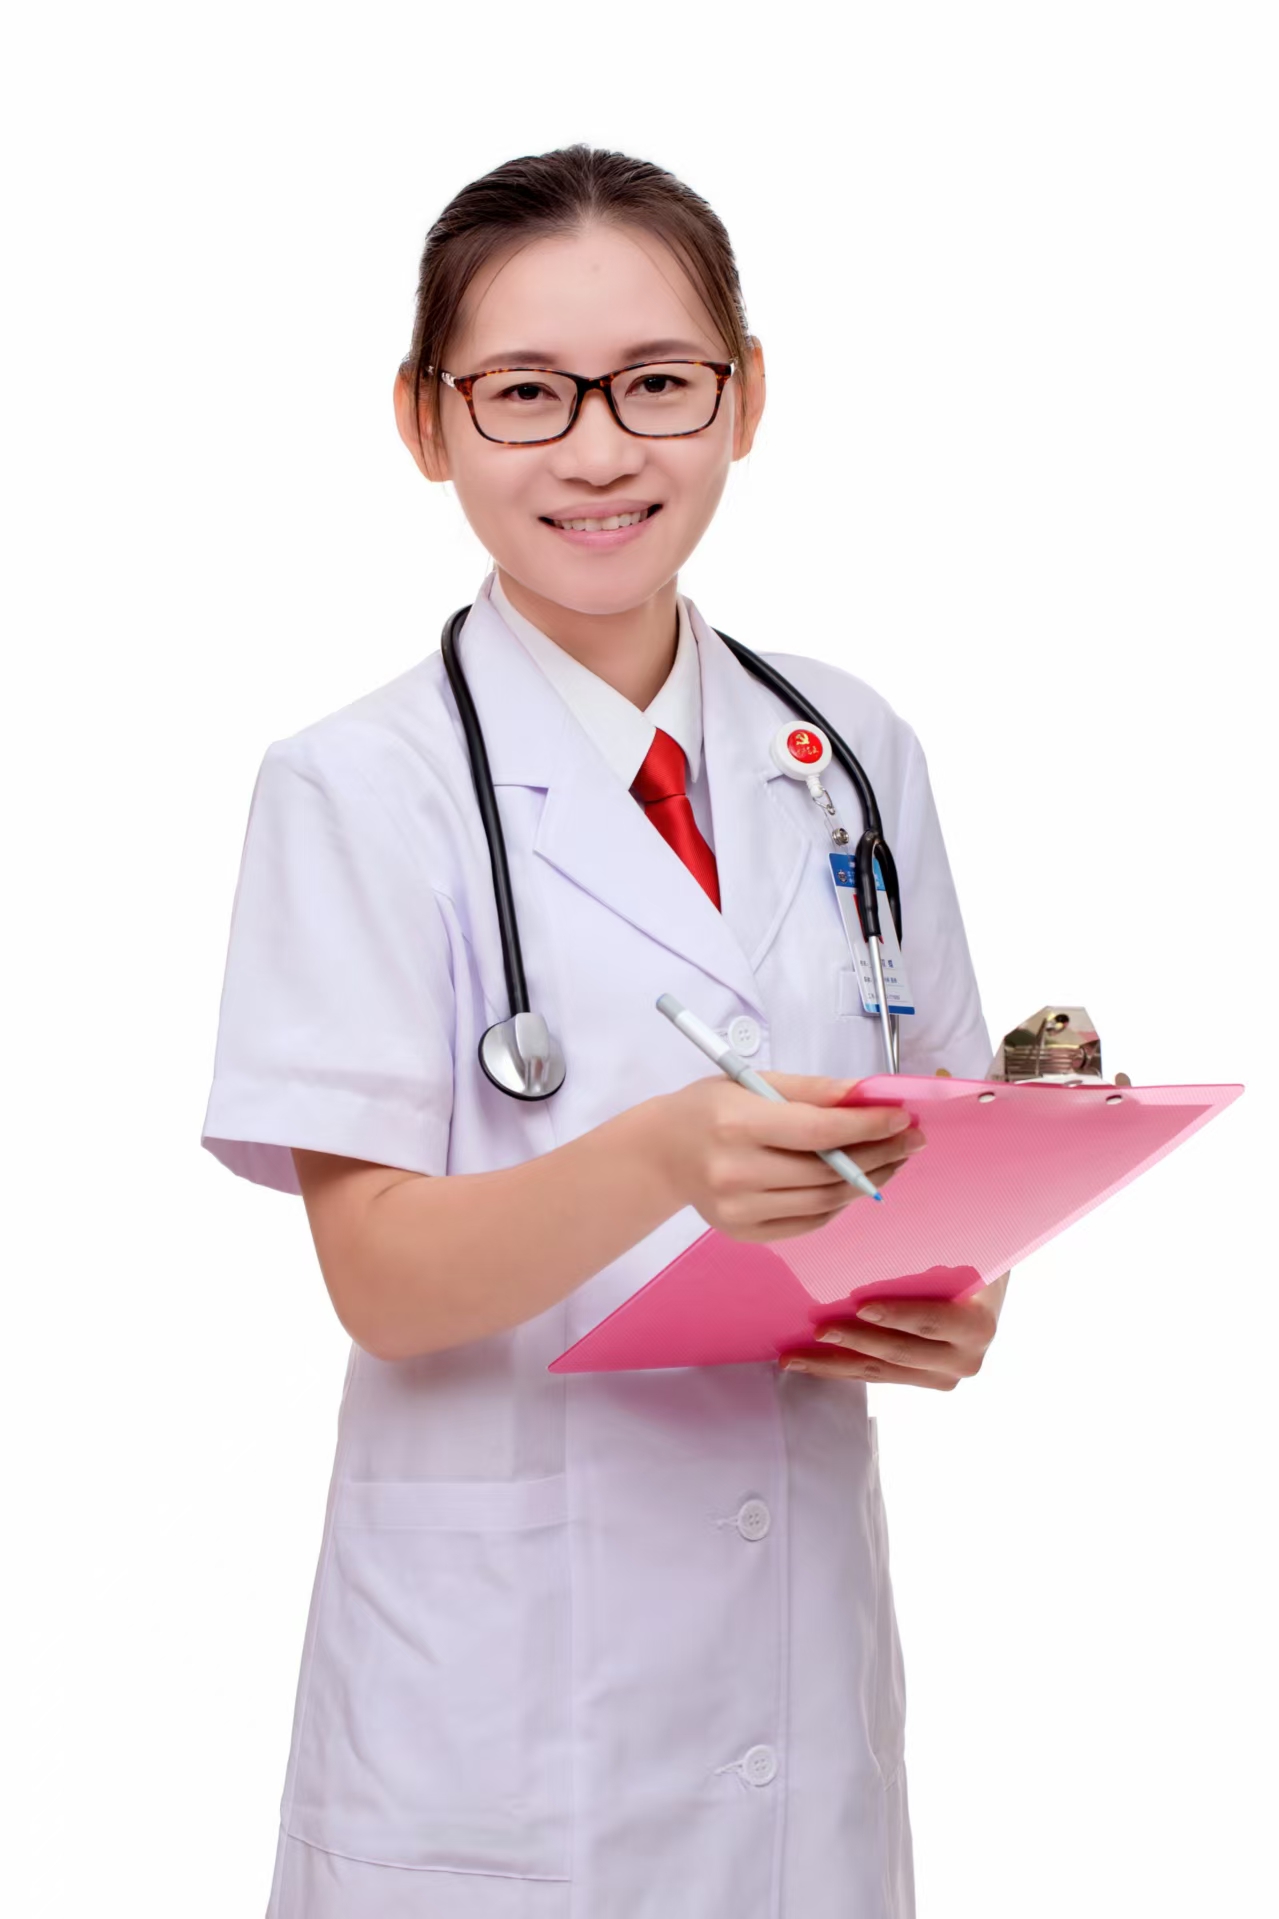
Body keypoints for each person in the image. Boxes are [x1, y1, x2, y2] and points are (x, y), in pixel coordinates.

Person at [201, 142, 1008, 1919]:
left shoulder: (848, 753)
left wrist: (954, 1302)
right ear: (426, 421)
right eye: (525, 392)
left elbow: (937, 1146)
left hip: (793, 1683)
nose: (597, 449)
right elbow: (380, 1280)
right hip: (494, 1712)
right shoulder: (362, 786)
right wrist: (661, 1157)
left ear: (746, 399)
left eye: (656, 382)